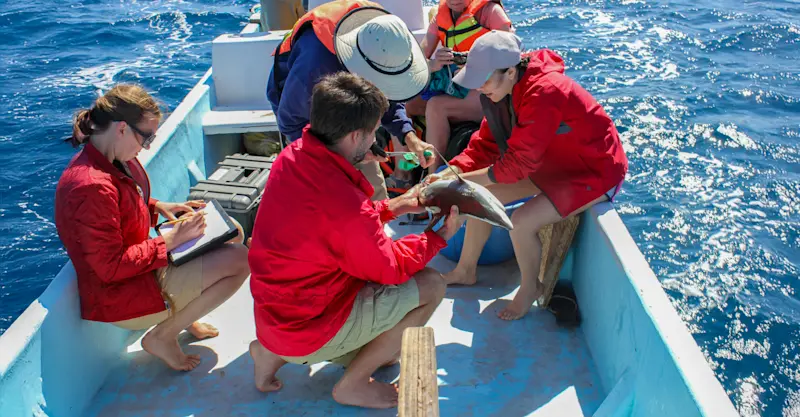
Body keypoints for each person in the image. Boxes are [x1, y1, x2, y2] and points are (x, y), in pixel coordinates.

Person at [248, 72, 463, 409]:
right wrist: (437, 237)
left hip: (274, 317)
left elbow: (332, 227)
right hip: (313, 327)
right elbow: (389, 269)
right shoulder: (344, 206)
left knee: (386, 345)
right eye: (373, 131)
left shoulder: (292, 157)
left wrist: (397, 204)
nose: (375, 138)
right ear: (354, 136)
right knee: (431, 284)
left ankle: (269, 354)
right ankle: (354, 383)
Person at [429, 31, 629, 320]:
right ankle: (466, 270)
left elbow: (518, 164)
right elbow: (484, 146)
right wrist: (453, 169)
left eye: (484, 80)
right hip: (549, 161)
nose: (480, 88)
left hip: (593, 169)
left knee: (521, 222)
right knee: (481, 197)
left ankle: (529, 288)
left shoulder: (546, 91)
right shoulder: (502, 89)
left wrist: (460, 182)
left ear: (511, 71)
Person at [54, 84, 250, 371]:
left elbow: (120, 206)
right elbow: (110, 267)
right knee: (241, 260)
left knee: (233, 230)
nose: (146, 147)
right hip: (123, 295)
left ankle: (183, 313)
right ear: (121, 128)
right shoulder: (89, 186)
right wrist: (172, 241)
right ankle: (162, 335)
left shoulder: (117, 159)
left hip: (142, 268)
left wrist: (158, 206)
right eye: (146, 138)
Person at [266, 0, 436, 201]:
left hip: (352, 108)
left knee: (374, 194)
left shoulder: (385, 34)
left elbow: (386, 95)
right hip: (305, 119)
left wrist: (409, 136)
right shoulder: (315, 66)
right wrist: (335, 161)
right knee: (329, 196)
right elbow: (291, 121)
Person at [400, 0, 512, 176]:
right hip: (458, 88)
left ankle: (432, 178)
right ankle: (403, 175)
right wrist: (433, 64)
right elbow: (419, 60)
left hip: (488, 93)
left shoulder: (490, 12)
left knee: (436, 106)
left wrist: (475, 60)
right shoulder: (440, 17)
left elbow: (512, 52)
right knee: (406, 104)